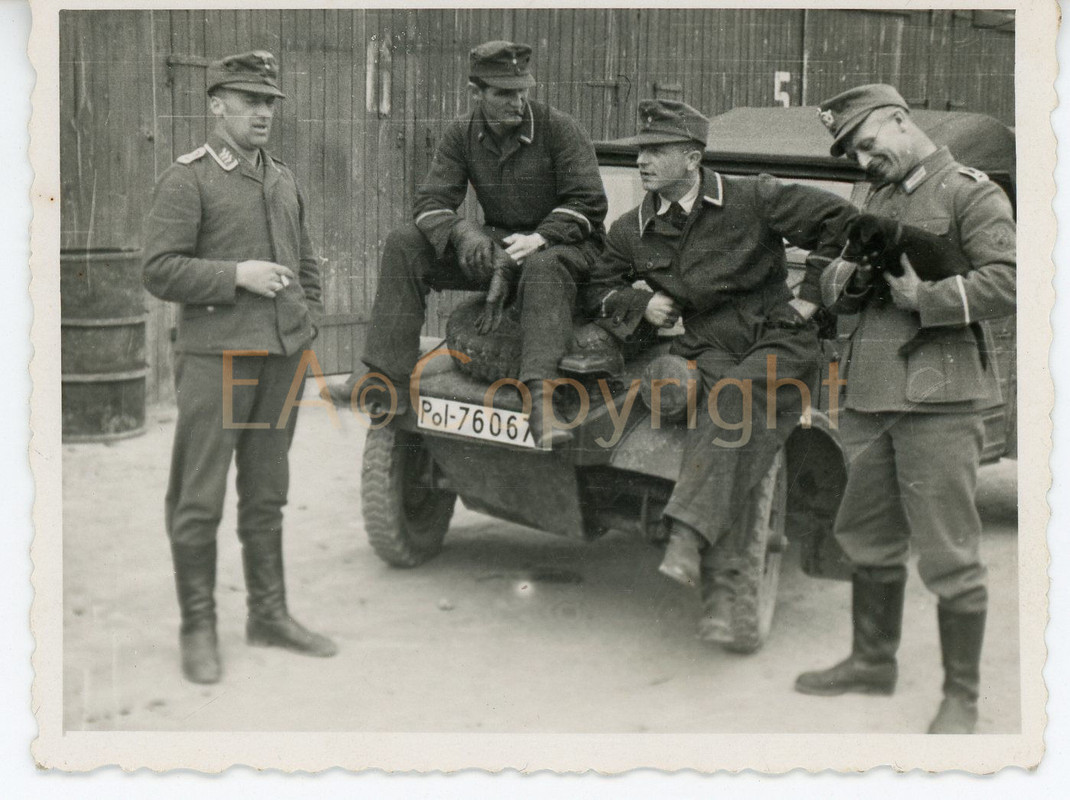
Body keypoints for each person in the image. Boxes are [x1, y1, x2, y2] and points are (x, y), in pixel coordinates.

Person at [585, 99, 855, 640]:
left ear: (692, 158)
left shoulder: (753, 196)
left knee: (733, 400)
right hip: (704, 346)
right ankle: (721, 596)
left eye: (656, 150)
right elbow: (597, 287)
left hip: (779, 339)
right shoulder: (629, 229)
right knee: (719, 420)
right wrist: (640, 306)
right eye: (640, 151)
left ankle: (687, 533)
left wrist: (810, 298)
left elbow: (843, 223)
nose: (643, 162)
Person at [794, 85, 1016, 734]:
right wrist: (846, 282)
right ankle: (871, 661)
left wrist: (931, 296)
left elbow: (1011, 278)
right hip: (868, 395)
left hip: (941, 401)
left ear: (899, 121)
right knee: (865, 536)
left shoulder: (971, 192)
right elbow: (834, 273)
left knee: (948, 550)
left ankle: (962, 698)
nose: (863, 162)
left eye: (868, 145)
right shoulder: (878, 197)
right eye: (853, 153)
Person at [143, 51, 337, 684]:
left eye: (270, 102)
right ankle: (198, 627)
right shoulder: (188, 179)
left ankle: (269, 614)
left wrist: (305, 321)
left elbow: (305, 261)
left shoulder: (281, 176)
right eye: (249, 100)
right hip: (219, 359)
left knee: (267, 493)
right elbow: (159, 269)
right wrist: (236, 276)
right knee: (199, 499)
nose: (262, 112)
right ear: (215, 105)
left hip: (283, 358)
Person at [327, 40, 607, 447]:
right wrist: (464, 235)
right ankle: (385, 377)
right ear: (477, 94)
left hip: (566, 245)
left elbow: (589, 204)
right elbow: (430, 201)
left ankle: (542, 401)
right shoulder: (463, 132)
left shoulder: (559, 128)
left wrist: (540, 238)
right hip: (503, 245)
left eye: (522, 90)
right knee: (406, 242)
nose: (518, 102)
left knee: (545, 266)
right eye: (504, 93)